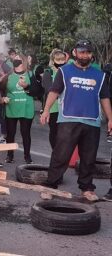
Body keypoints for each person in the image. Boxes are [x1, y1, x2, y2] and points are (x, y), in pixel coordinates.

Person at [40, 40, 112, 202]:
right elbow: (54, 91)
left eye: (88, 52)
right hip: (68, 119)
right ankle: (50, 185)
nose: (85, 55)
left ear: (91, 54)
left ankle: (87, 189)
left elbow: (105, 98)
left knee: (88, 158)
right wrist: (45, 110)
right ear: (75, 53)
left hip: (92, 121)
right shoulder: (65, 71)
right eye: (82, 52)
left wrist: (110, 119)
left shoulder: (99, 75)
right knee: (61, 155)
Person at [0, 54, 35, 164]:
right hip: (11, 107)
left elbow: (38, 91)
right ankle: (10, 155)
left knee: (26, 133)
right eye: (14, 59)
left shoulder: (30, 74)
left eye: (18, 59)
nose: (15, 61)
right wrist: (2, 98)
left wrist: (27, 87)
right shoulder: (8, 75)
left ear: (23, 61)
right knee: (10, 134)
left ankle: (27, 157)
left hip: (26, 108)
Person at [41, 49, 67, 149]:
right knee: (54, 132)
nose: (60, 62)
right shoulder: (48, 73)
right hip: (53, 108)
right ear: (53, 60)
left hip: (66, 108)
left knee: (65, 134)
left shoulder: (68, 72)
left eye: (62, 60)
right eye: (58, 60)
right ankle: (55, 152)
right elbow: (49, 90)